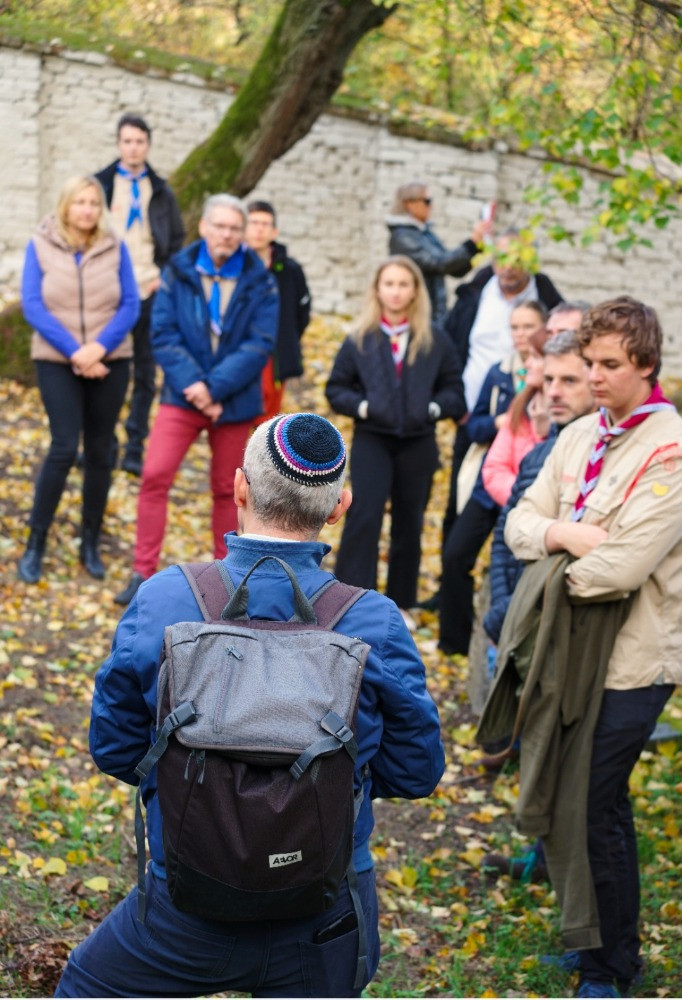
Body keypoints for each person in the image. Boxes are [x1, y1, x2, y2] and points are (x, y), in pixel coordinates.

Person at [55, 411, 445, 998]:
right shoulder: (374, 621)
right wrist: (323, 786)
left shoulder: (164, 598)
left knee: (88, 987)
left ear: (239, 488)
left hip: (183, 905)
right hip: (325, 914)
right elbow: (416, 771)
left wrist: (202, 781)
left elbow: (114, 747)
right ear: (339, 507)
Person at [504, 296, 682, 998]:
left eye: (610, 364)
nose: (595, 377)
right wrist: (564, 535)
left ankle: (609, 966)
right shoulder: (581, 434)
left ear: (646, 364)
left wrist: (546, 570)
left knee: (594, 802)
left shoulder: (669, 448)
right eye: (590, 362)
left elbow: (624, 567)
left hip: (634, 661)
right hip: (565, 648)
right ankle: (599, 948)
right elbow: (520, 522)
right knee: (573, 797)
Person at [114, 193, 279, 606]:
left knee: (230, 489)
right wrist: (196, 387)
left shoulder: (260, 280)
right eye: (219, 226)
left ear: (243, 234)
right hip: (183, 395)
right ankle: (142, 571)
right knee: (155, 475)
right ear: (204, 227)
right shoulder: (179, 270)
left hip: (233, 401)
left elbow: (259, 344)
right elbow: (163, 334)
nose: (226, 234)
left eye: (234, 228)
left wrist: (215, 389)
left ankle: (228, 580)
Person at [325, 255, 465, 629]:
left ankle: (399, 604)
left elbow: (455, 392)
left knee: (409, 521)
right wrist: (365, 407)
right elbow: (336, 388)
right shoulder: (361, 338)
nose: (396, 291)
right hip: (373, 440)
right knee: (364, 516)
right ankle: (351, 599)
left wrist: (432, 409)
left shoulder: (435, 340)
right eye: (389, 284)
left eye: (404, 284)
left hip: (418, 443)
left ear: (416, 290)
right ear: (377, 289)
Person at [17, 175, 140, 584]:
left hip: (110, 361)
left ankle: (90, 539)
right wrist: (77, 352)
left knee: (101, 450)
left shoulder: (115, 246)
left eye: (93, 203)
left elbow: (130, 304)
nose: (87, 210)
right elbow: (32, 305)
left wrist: (98, 348)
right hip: (57, 360)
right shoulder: (40, 244)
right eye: (79, 202)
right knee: (64, 447)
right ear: (65, 205)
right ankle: (36, 540)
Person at [437, 231, 563, 555]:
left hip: (530, 427)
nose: (507, 267)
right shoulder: (475, 293)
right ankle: (450, 578)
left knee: (519, 506)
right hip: (477, 416)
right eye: (501, 258)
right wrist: (457, 406)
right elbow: (448, 347)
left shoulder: (548, 300)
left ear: (530, 260)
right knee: (460, 502)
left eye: (516, 259)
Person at [437, 305, 548, 655]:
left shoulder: (557, 388)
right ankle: (456, 642)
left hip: (530, 495)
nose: (521, 334)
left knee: (509, 570)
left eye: (529, 326)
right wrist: (499, 422)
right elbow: (475, 426)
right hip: (491, 487)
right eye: (515, 327)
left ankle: (502, 642)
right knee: (455, 555)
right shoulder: (499, 373)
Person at [96, 113, 185, 475]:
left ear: (148, 145)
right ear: (119, 144)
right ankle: (100, 441)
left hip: (149, 290)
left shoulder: (161, 191)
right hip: (108, 292)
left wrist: (162, 277)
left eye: (139, 142)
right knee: (103, 366)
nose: (133, 148)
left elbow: (176, 241)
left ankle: (135, 445)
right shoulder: (101, 185)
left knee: (145, 372)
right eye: (127, 141)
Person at [386, 180, 490, 330]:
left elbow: (453, 269)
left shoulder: (424, 233)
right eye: (427, 201)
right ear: (409, 204)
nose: (431, 206)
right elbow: (438, 263)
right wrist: (471, 244)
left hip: (434, 313)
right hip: (417, 314)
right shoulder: (402, 237)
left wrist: (476, 247)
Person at [245, 199, 311, 422]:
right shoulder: (232, 266)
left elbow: (302, 312)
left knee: (266, 418)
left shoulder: (290, 270)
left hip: (273, 357)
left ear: (274, 232)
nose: (259, 229)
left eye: (265, 224)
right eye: (254, 223)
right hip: (240, 352)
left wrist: (285, 339)